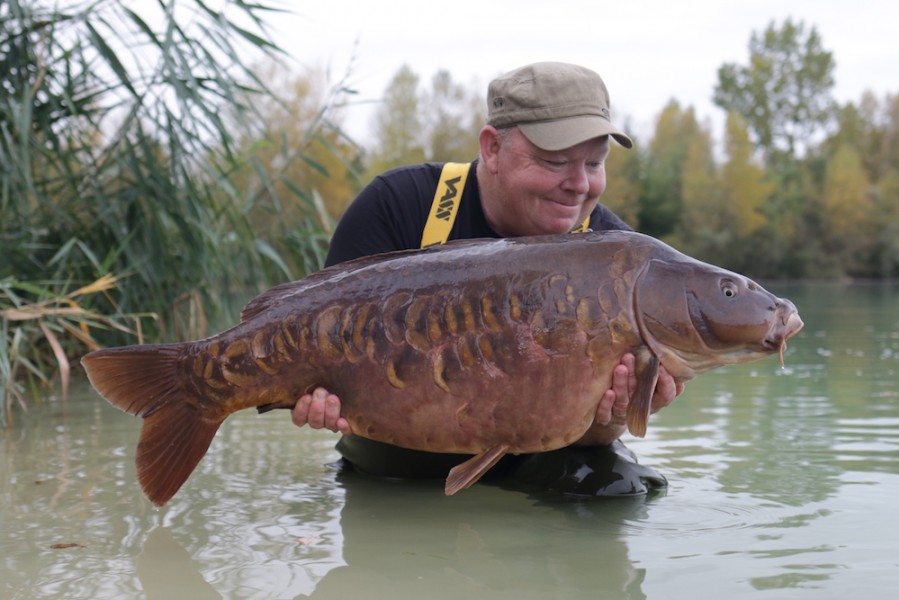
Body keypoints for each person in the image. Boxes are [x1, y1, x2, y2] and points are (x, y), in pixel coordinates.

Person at [291, 62, 685, 495]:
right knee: (391, 494)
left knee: (620, 489)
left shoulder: (619, 262)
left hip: (544, 453)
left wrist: (615, 417)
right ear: (492, 148)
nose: (578, 185)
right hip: (398, 448)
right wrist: (314, 395)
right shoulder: (398, 206)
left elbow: (594, 434)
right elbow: (312, 341)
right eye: (556, 161)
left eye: (594, 163)